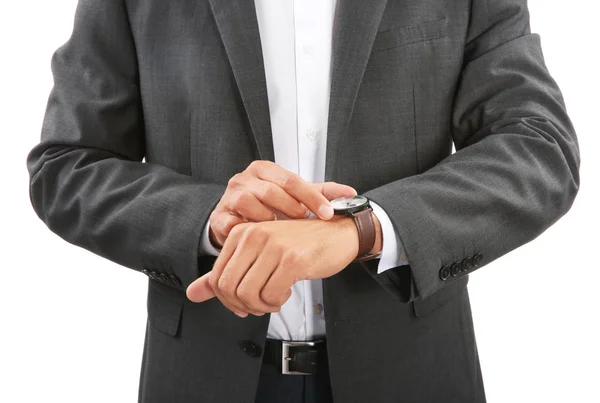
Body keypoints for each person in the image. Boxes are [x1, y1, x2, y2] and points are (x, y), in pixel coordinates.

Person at [26, 0, 580, 402]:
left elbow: (538, 146)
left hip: (413, 373)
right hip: (205, 376)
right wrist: (208, 220)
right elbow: (66, 164)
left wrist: (360, 228)